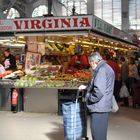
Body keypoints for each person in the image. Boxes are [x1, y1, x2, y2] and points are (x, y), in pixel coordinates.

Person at [79, 52, 115, 140]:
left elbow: (98, 91)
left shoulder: (101, 70)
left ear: (94, 61)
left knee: (97, 134)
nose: (90, 66)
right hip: (103, 106)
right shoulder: (106, 68)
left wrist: (89, 97)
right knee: (101, 133)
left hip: (99, 107)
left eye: (90, 63)